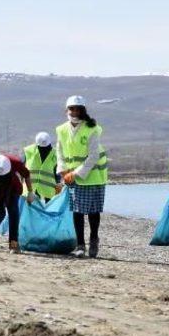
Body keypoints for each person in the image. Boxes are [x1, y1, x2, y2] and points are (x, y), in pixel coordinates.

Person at [56, 96, 108, 258]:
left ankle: (93, 239)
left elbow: (93, 156)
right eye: (71, 108)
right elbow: (59, 151)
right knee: (77, 211)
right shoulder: (62, 130)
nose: (74, 112)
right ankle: (80, 245)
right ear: (67, 110)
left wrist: (75, 173)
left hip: (93, 176)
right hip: (72, 177)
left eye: (77, 109)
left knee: (93, 211)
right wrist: (63, 170)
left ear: (82, 110)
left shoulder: (92, 128)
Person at [22, 132, 59, 203]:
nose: (44, 149)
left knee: (49, 209)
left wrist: (58, 184)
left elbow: (57, 172)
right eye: (42, 148)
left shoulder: (55, 154)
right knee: (31, 210)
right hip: (30, 187)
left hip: (48, 189)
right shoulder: (29, 151)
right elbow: (22, 169)